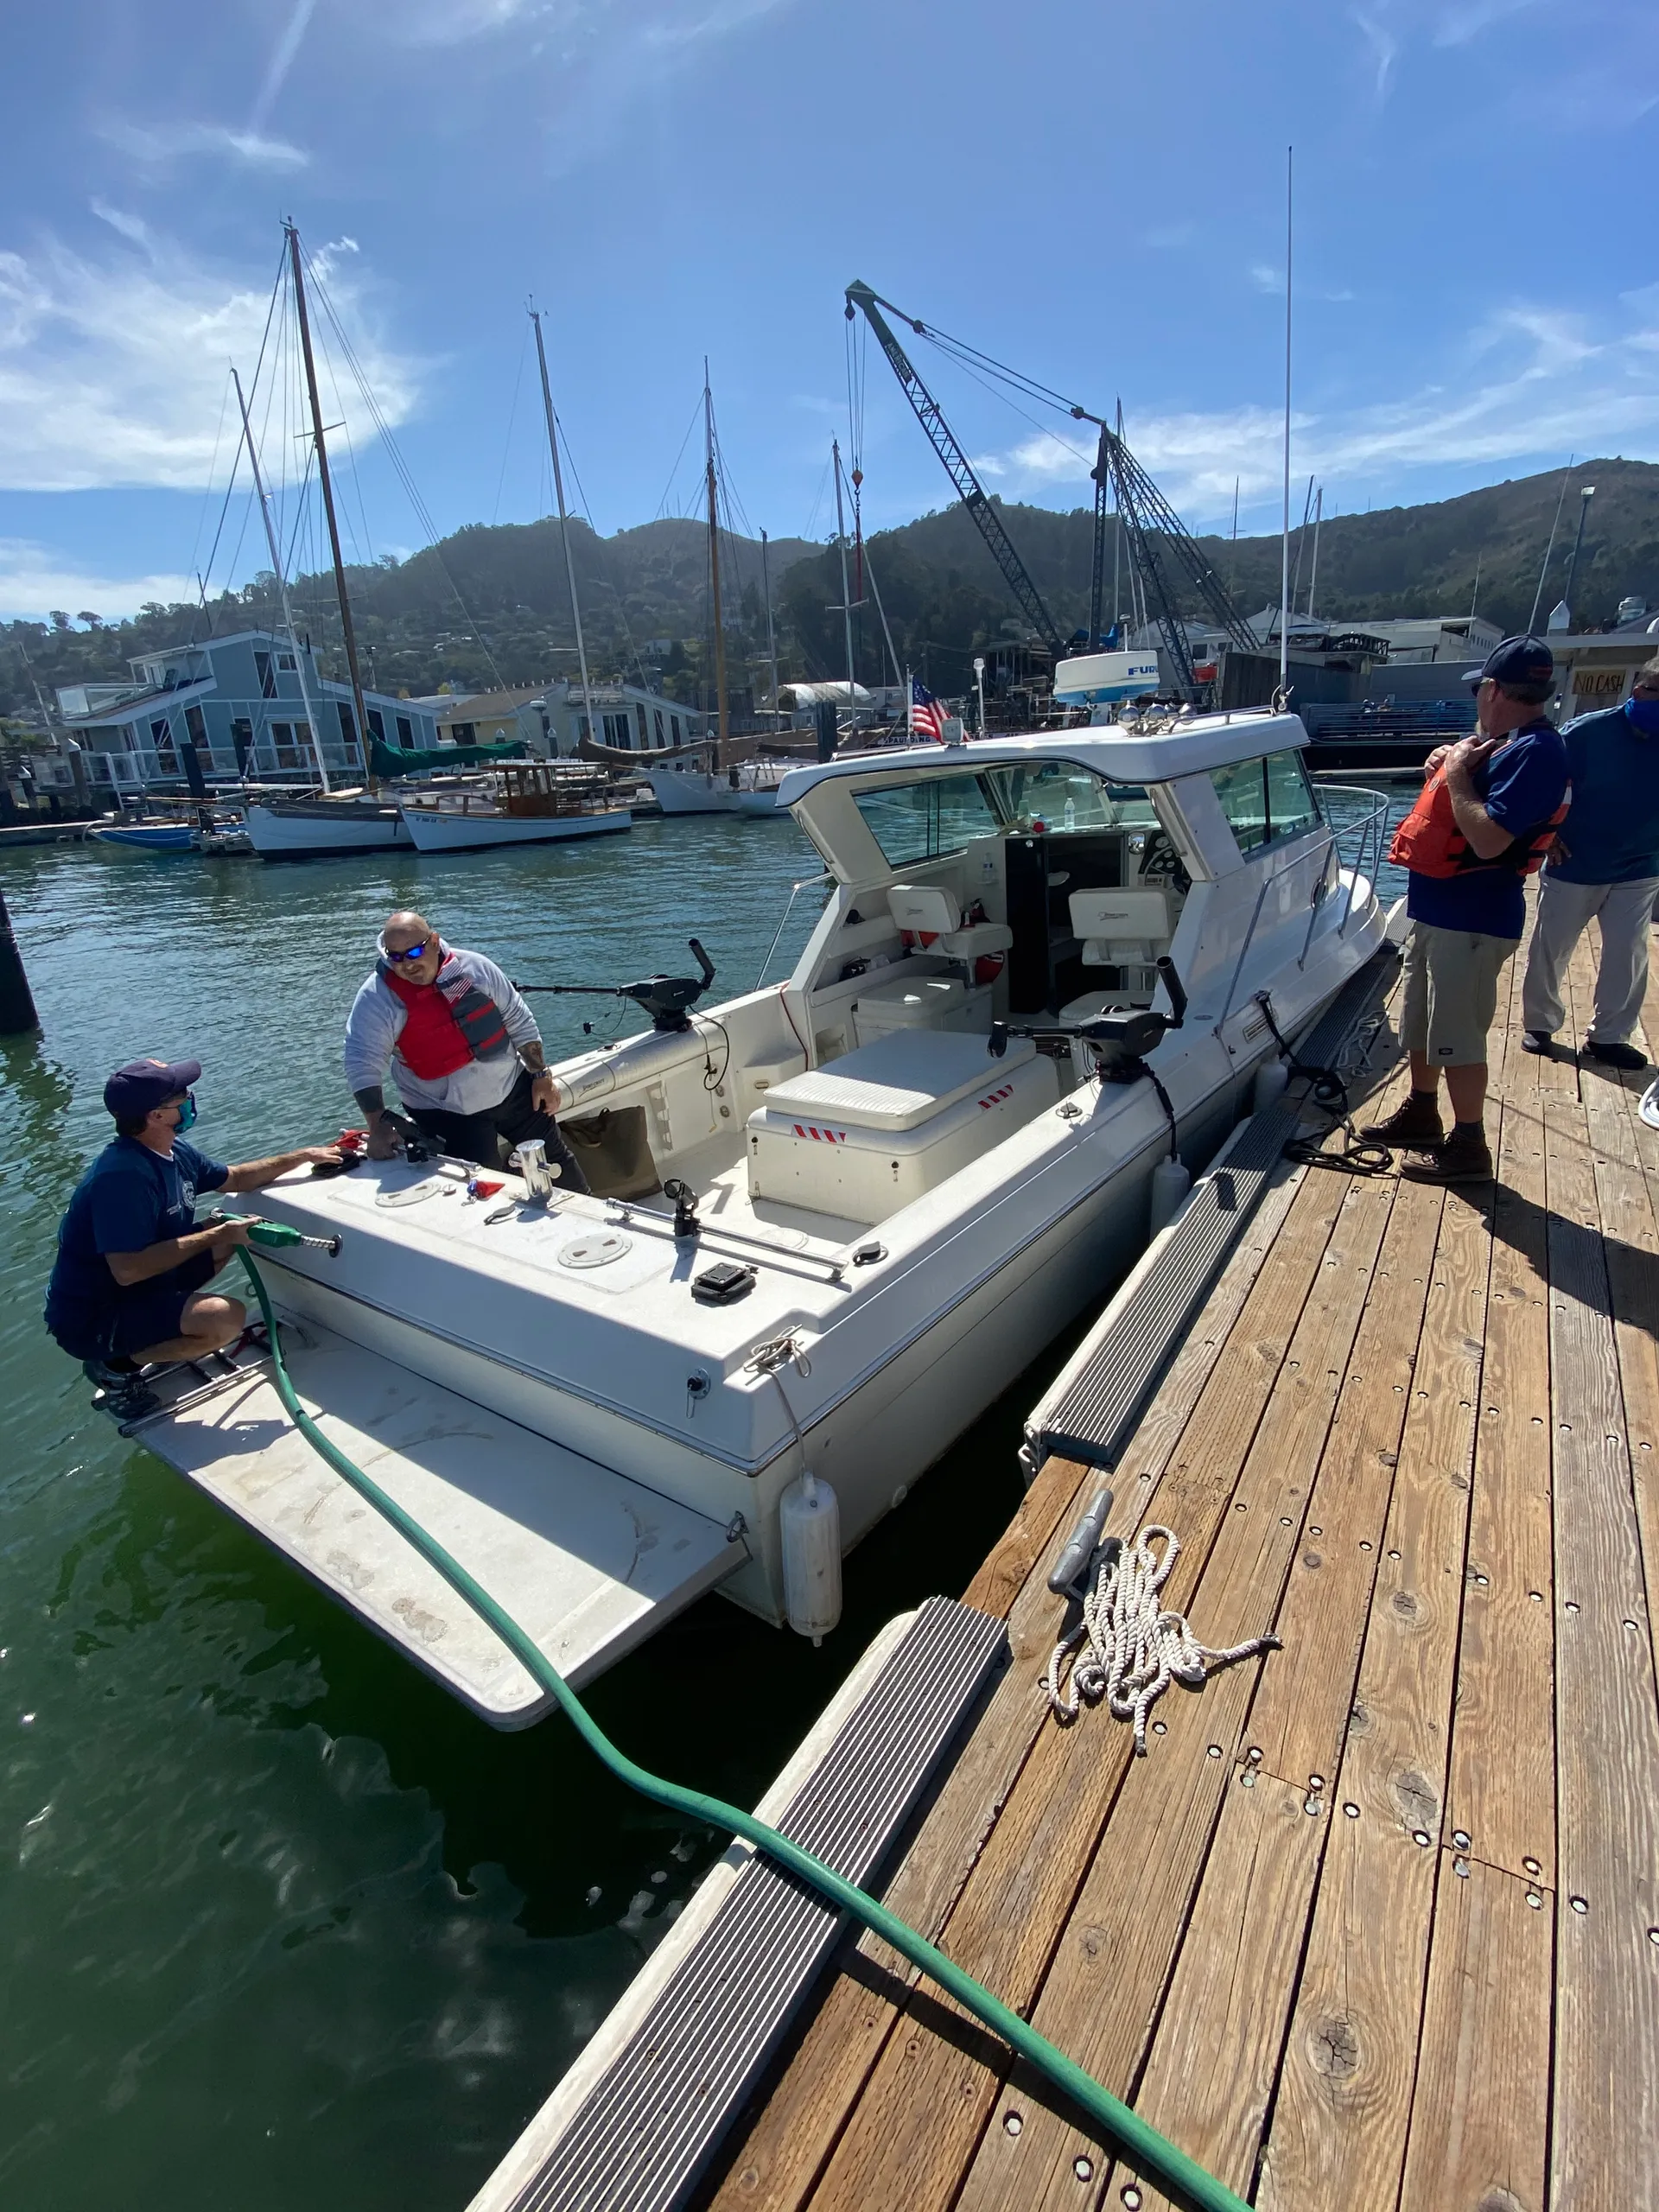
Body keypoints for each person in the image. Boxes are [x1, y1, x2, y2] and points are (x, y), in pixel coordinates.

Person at [1363, 635, 1570, 1183]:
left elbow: (1488, 840)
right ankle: (1422, 1113)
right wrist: (1447, 762)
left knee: (1457, 1034)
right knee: (1424, 1023)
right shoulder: (1506, 743)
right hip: (1441, 915)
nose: (1478, 699)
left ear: (1495, 689)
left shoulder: (1539, 752)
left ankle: (1469, 1146)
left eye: (1480, 689)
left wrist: (1454, 775)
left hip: (1474, 922)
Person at [45, 1057, 343, 1405]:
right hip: (95, 1315)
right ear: (156, 1115)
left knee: (225, 1226)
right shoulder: (122, 1178)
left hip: (142, 1284)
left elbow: (236, 1178)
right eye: (181, 1094)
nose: (189, 1097)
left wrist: (303, 1155)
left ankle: (166, 1320)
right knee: (226, 1319)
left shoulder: (172, 1150)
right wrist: (218, 1236)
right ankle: (114, 1366)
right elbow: (127, 1270)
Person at [343, 910, 589, 1187]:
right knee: (483, 1185)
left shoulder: (476, 968)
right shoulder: (377, 997)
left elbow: (518, 1018)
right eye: (395, 957)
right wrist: (376, 1124)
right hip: (445, 1112)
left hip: (513, 1091)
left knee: (557, 1164)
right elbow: (362, 1061)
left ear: (434, 942)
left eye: (413, 954)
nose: (405, 965)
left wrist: (542, 1076)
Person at [1518, 654, 1659, 1069]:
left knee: (1628, 953)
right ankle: (1540, 1023)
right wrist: (1548, 834)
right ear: (1641, 691)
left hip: (1642, 865)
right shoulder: (1586, 733)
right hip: (1576, 861)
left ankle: (1609, 1037)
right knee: (1553, 946)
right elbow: (1539, 779)